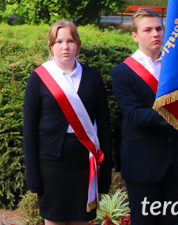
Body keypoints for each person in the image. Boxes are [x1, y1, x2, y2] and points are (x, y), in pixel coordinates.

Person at [111, 8, 178, 225]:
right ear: (135, 36)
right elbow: (134, 115)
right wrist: (172, 115)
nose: (156, 34)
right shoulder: (123, 72)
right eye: (148, 30)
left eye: (159, 28)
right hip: (143, 165)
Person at [24, 20, 112, 225]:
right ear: (51, 45)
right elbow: (29, 130)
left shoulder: (93, 78)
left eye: (70, 41)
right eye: (59, 41)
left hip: (84, 165)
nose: (65, 47)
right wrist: (33, 173)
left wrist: (105, 171)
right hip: (51, 166)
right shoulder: (39, 78)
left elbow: (105, 127)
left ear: (78, 44)